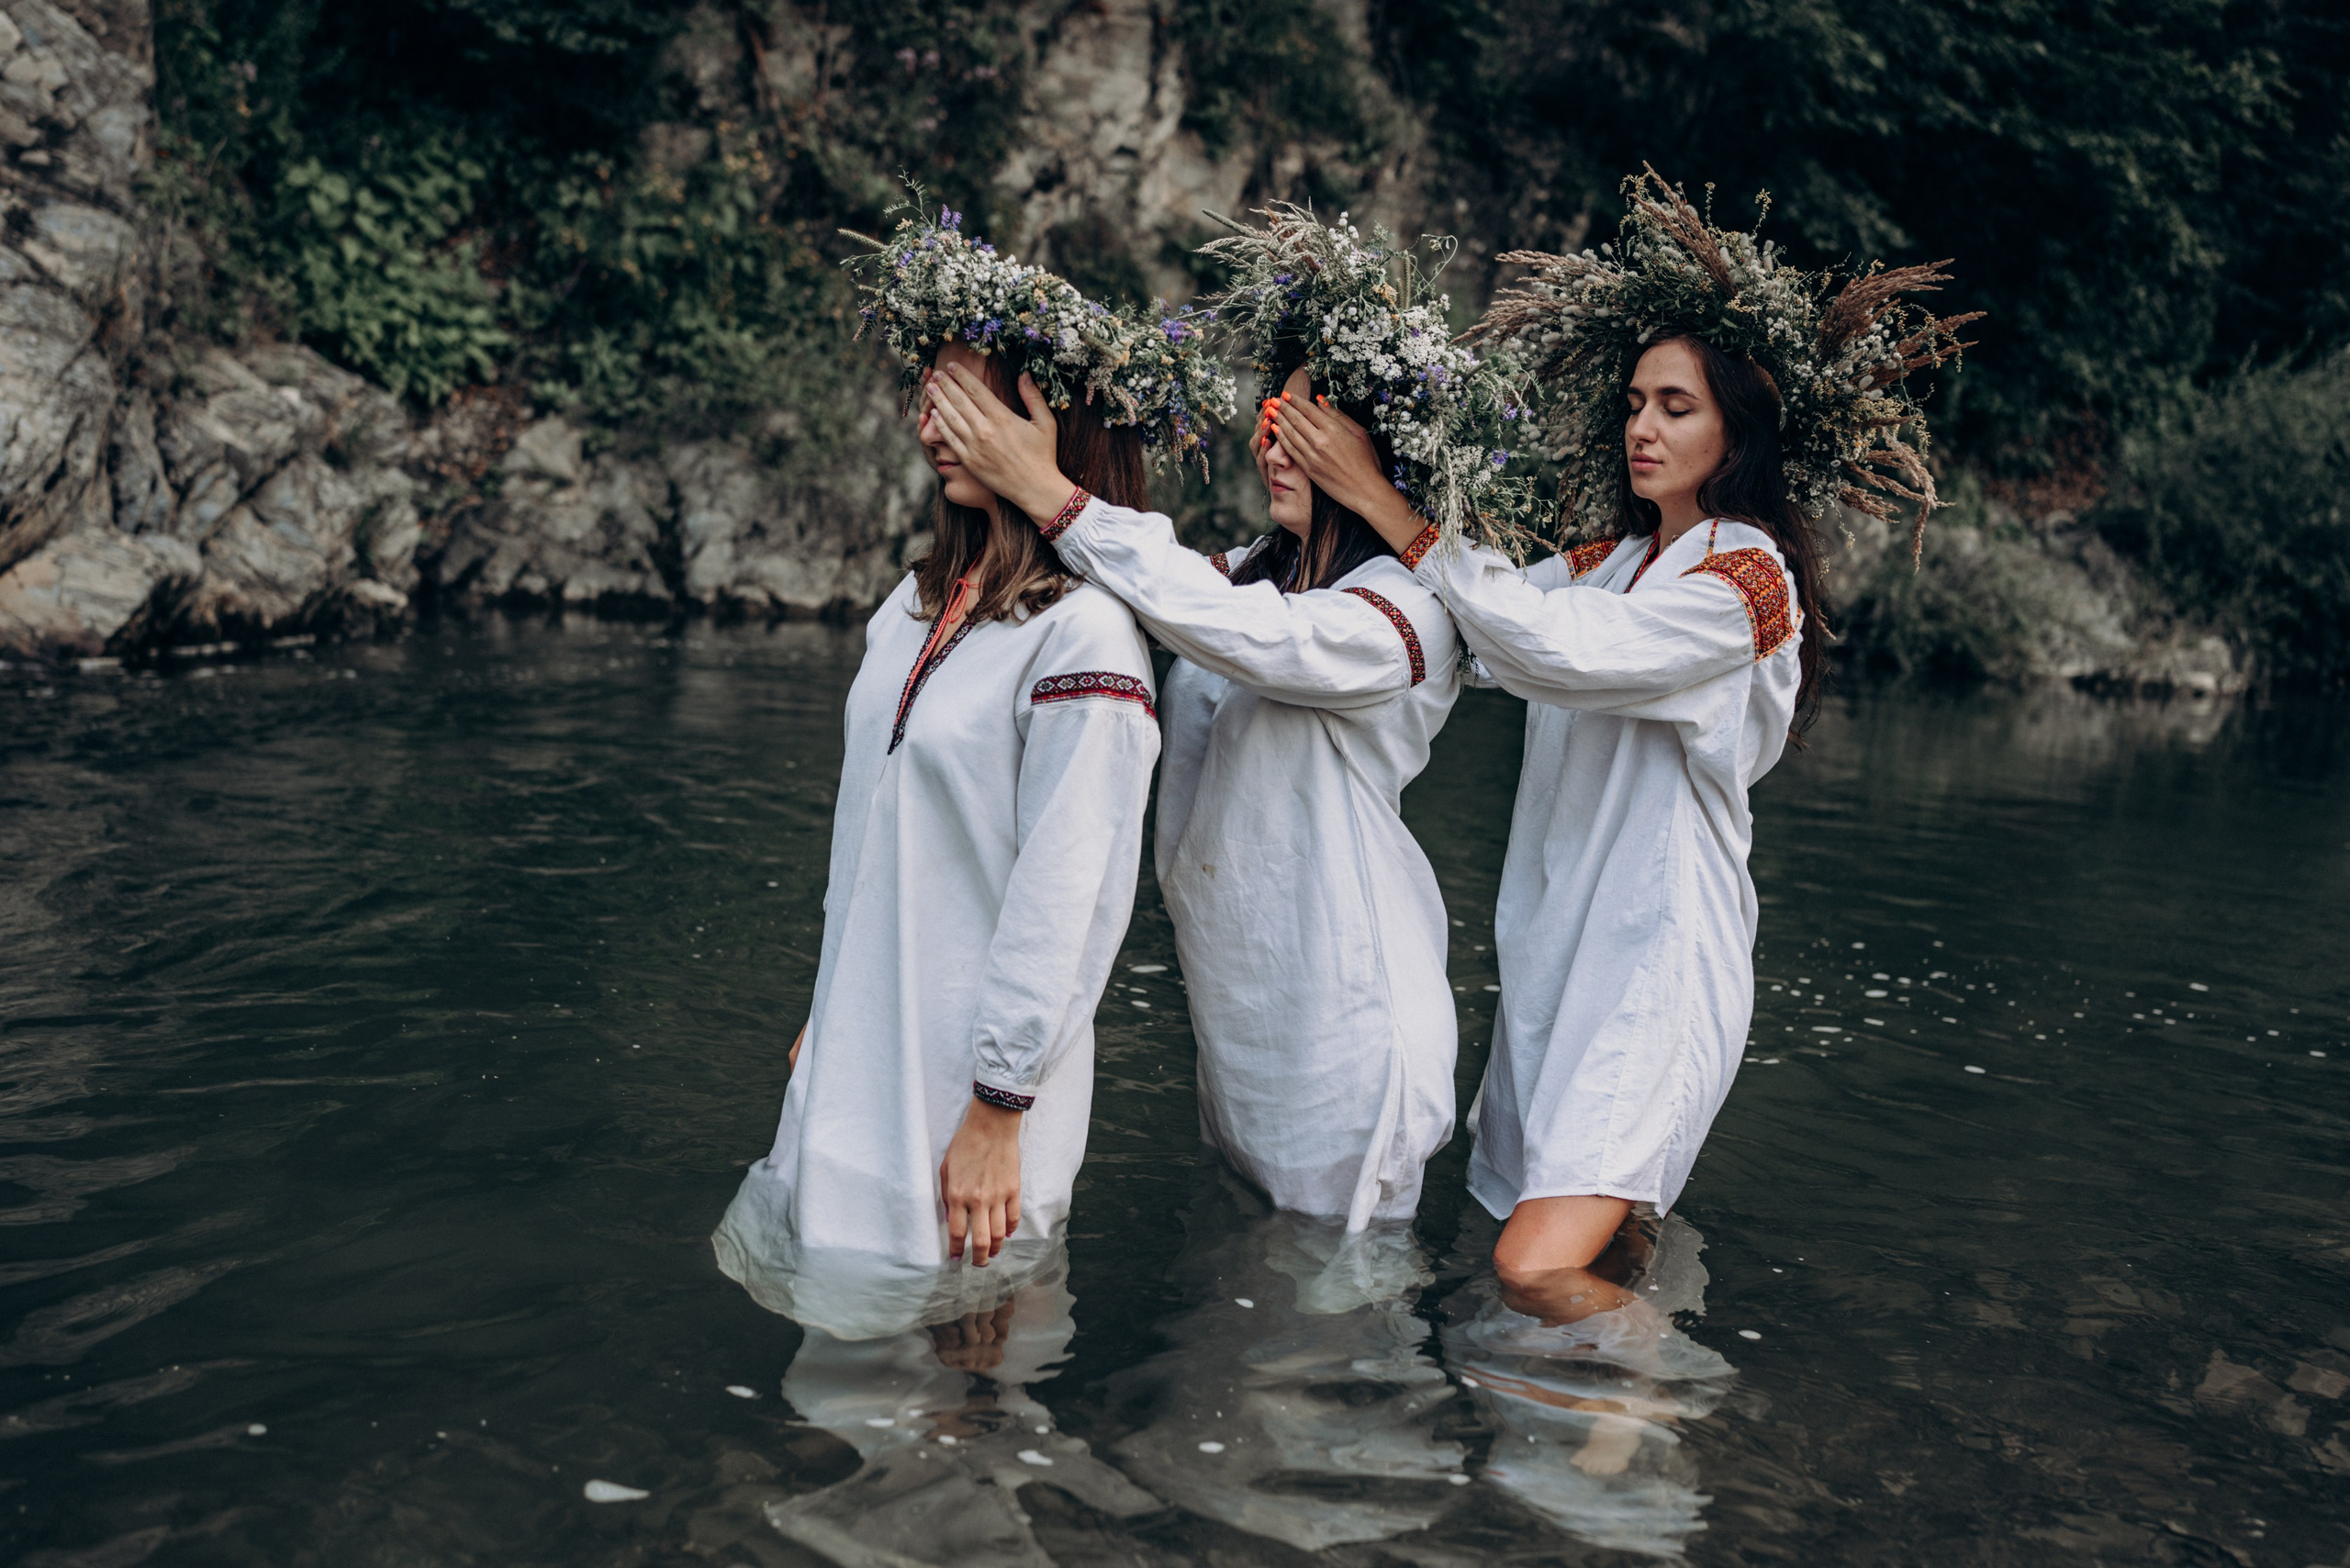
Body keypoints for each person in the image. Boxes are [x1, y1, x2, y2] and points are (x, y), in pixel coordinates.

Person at [1270, 169, 1974, 1317]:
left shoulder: (1746, 581)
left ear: (1737, 427)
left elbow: (1564, 652)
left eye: (1676, 406)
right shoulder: (1611, 560)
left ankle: (1675, 1412)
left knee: (1529, 1268)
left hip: (1655, 961)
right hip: (1557, 954)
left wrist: (1397, 512)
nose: (1642, 425)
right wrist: (1342, 501)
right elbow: (1482, 624)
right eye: (1636, 401)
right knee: (1547, 1249)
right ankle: (1603, 1467)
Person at [921, 207, 1506, 1237]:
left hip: (1345, 1023)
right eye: (1270, 418)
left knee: (1323, 1355)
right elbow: (1147, 585)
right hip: (1240, 1013)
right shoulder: (1247, 573)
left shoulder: (1408, 614)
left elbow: (1255, 638)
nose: (1273, 443)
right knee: (1236, 1338)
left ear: (1377, 451)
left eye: (1310, 423)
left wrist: (1051, 494)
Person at [711, 201, 1231, 1338]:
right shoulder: (908, 607)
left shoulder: (1083, 638)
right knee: (842, 1377)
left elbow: (1069, 891)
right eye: (928, 392)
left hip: (969, 1082)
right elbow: (872, 827)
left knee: (958, 1402)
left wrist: (1000, 1103)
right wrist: (828, 991)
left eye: (963, 397)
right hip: (864, 1031)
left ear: (1049, 424)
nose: (929, 420)